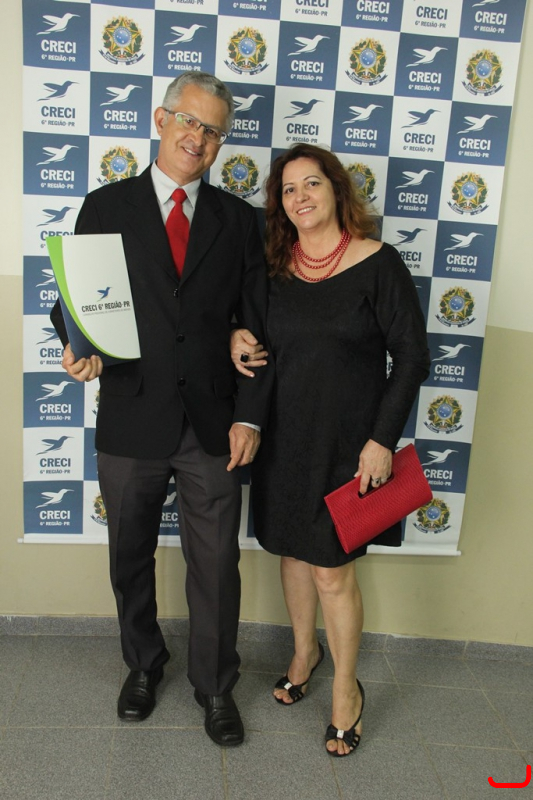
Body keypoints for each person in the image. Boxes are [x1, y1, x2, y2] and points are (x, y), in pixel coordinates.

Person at [50, 71, 273, 747]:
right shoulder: (106, 205)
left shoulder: (240, 220)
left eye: (213, 131)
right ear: (160, 119)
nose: (198, 138)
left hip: (213, 423)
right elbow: (73, 300)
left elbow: (256, 327)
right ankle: (144, 666)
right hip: (130, 413)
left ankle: (215, 686)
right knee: (129, 557)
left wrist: (249, 416)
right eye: (189, 121)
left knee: (218, 567)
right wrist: (78, 347)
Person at [231, 143, 429, 756]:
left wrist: (381, 440)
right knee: (292, 555)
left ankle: (347, 688)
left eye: (311, 183)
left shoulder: (379, 262)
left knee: (331, 572)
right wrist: (238, 336)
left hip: (349, 447)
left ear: (336, 190)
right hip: (283, 442)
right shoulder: (273, 269)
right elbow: (254, 342)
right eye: (288, 189)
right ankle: (304, 652)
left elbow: (412, 358)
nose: (301, 197)